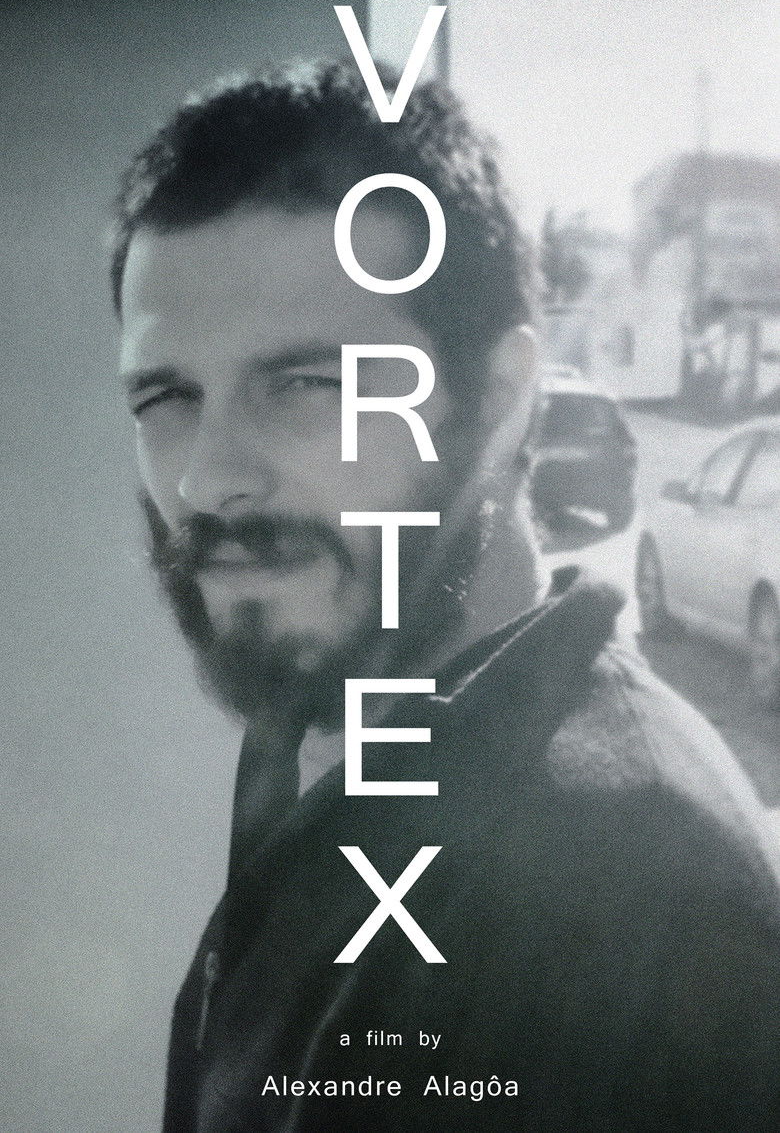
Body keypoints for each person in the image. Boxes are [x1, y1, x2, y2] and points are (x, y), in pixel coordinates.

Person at [113, 60, 780, 1131]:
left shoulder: (630, 886)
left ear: (503, 400)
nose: (208, 478)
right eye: (167, 396)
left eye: (307, 383)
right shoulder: (315, 722)